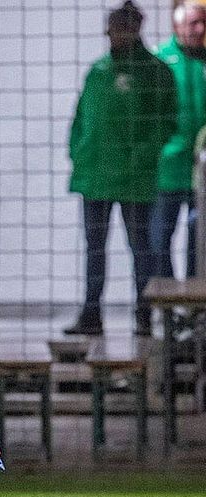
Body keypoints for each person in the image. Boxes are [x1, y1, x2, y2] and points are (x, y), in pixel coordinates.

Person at [63, 1, 177, 337]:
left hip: (134, 180)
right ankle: (91, 314)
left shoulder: (156, 72)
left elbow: (165, 123)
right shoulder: (99, 70)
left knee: (141, 248)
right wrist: (78, 153)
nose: (113, 35)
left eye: (118, 28)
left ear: (134, 28)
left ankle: (144, 316)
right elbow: (81, 118)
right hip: (95, 175)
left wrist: (140, 159)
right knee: (94, 248)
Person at [152, 2, 206, 281]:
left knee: (200, 244)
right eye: (194, 23)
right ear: (177, 27)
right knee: (159, 241)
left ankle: (195, 306)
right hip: (168, 169)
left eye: (204, 23)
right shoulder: (159, 61)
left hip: (201, 173)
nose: (200, 29)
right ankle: (168, 305)